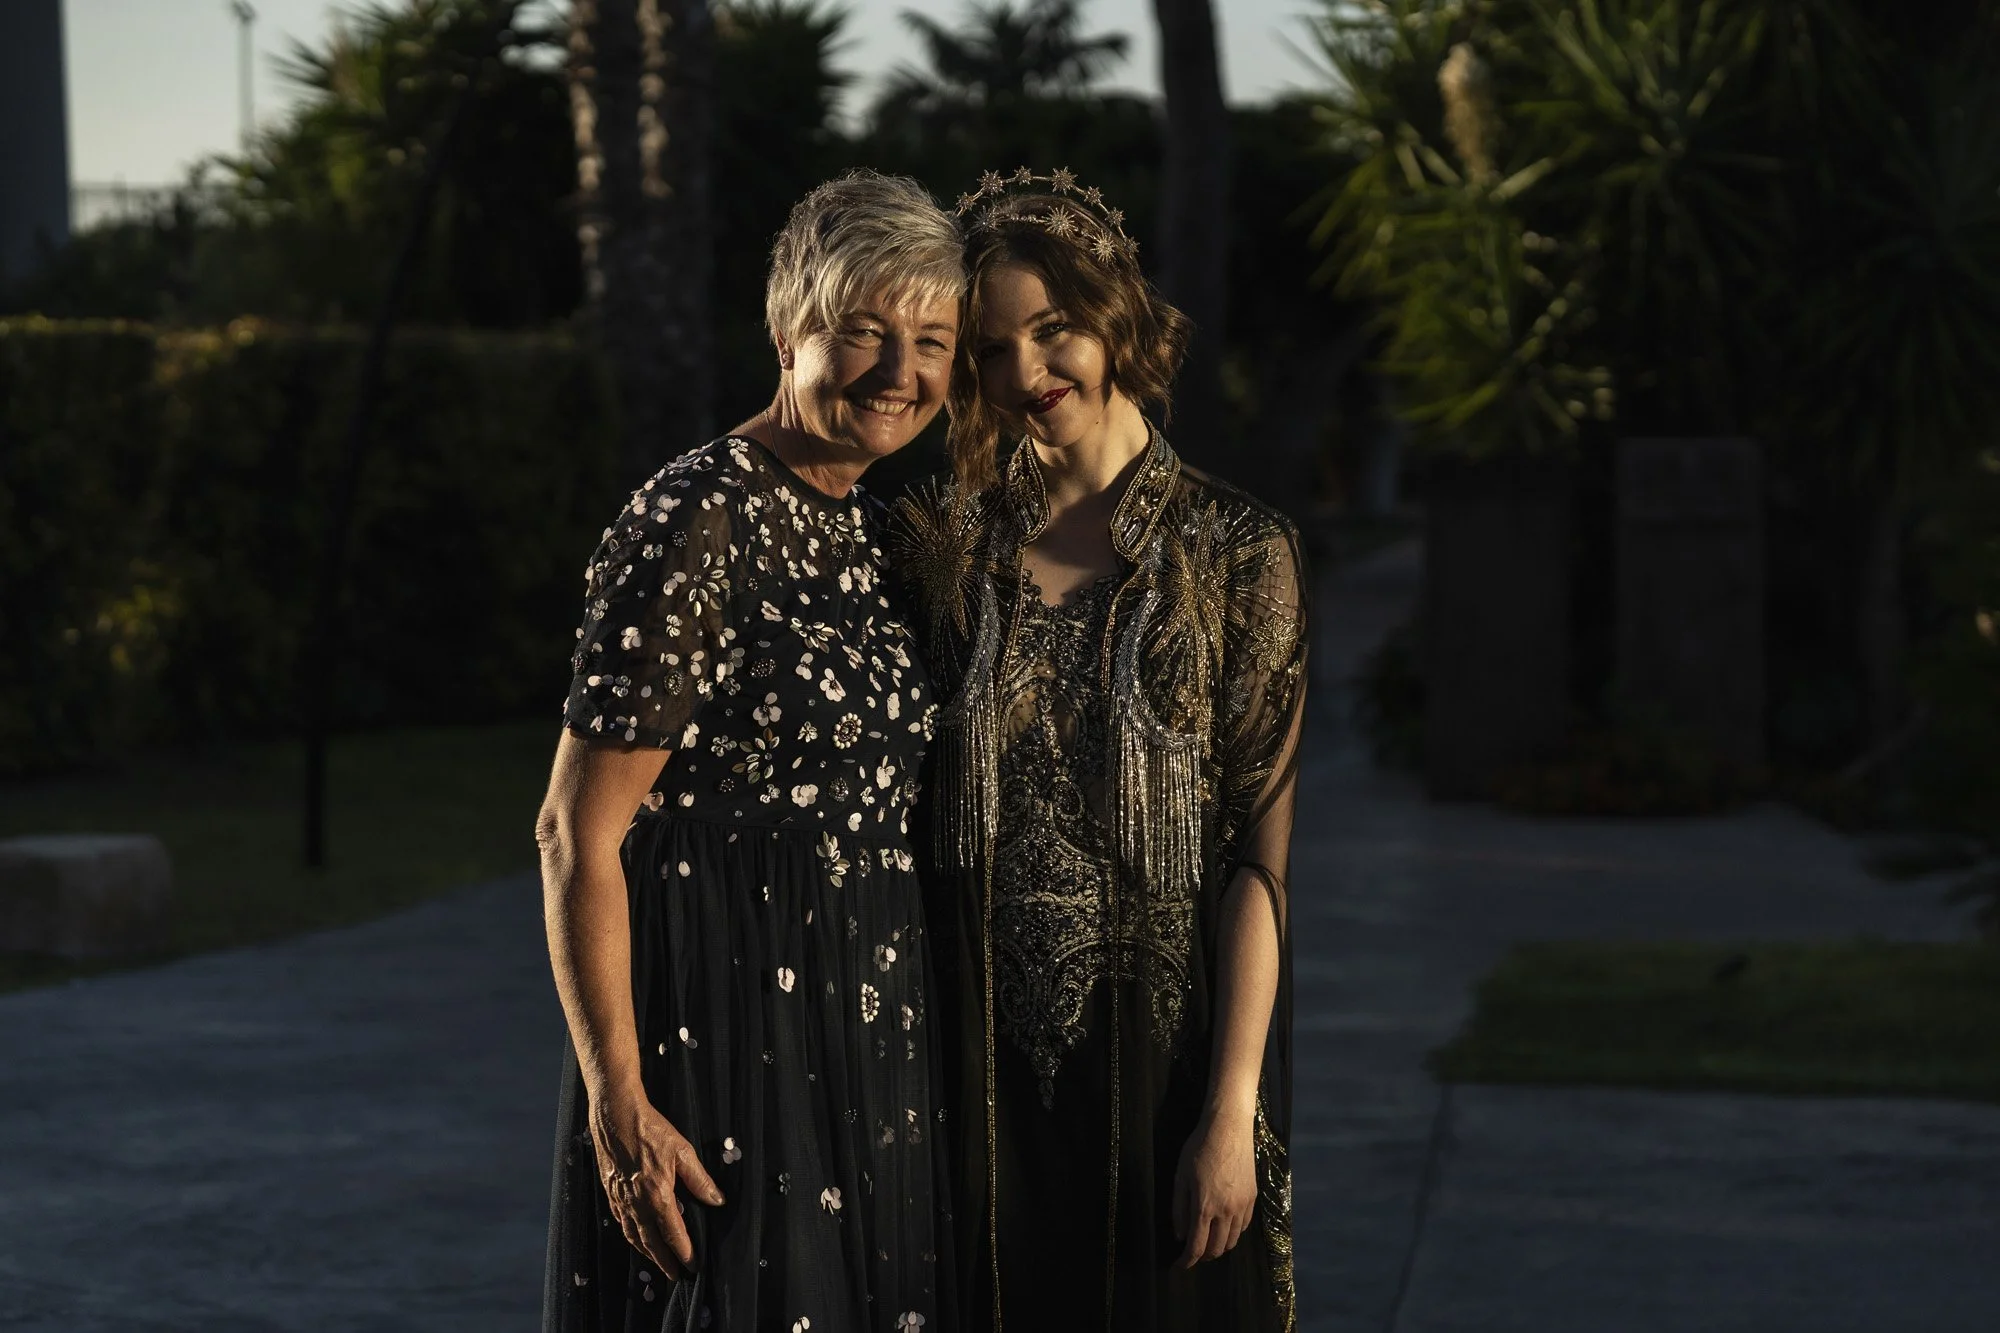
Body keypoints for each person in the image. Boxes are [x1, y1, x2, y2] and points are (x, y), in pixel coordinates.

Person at [538, 169, 964, 1333]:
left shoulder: (874, 531)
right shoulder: (695, 518)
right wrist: (619, 1104)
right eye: (864, 331)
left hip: (869, 1029)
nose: (898, 370)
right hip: (727, 1031)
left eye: (930, 341)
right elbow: (574, 832)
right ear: (787, 335)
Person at [887, 169, 1309, 1332]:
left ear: (1113, 312)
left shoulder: (1240, 553)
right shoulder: (939, 548)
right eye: (989, 348)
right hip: (968, 1086)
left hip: (1164, 1085)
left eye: (1051, 328)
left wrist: (1229, 1113)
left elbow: (1258, 866)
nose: (1025, 371)